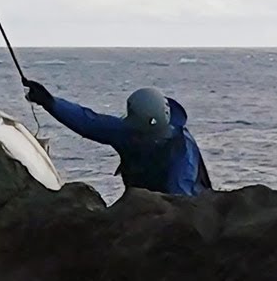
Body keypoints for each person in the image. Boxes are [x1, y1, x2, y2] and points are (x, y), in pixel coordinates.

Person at [22, 80, 212, 196]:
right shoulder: (126, 132)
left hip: (183, 207)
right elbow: (88, 122)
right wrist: (49, 101)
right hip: (143, 206)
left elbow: (181, 192)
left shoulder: (182, 150)